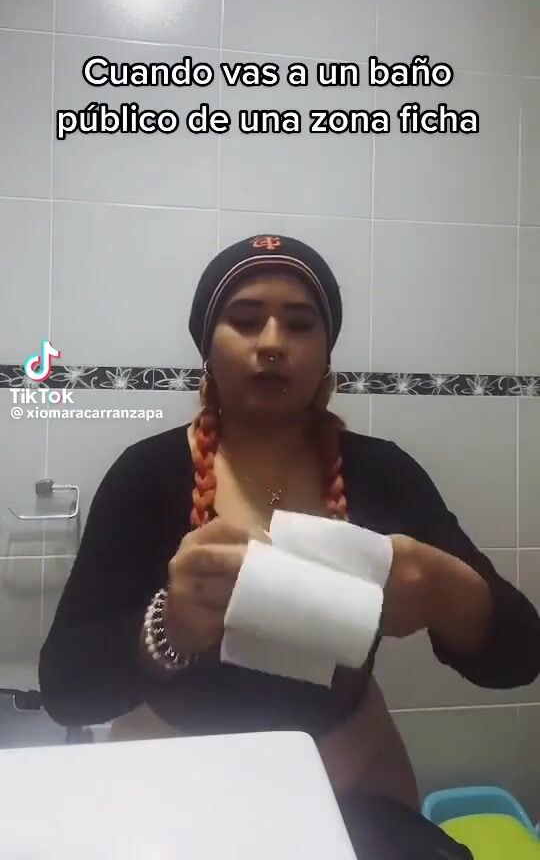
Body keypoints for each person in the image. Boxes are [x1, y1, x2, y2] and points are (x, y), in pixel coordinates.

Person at [39, 234, 540, 859]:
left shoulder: (383, 474)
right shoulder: (146, 476)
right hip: (176, 783)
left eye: (300, 324)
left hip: (350, 779)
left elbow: (520, 657)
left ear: (325, 354)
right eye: (245, 319)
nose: (273, 342)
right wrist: (168, 626)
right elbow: (67, 691)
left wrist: (448, 591)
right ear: (208, 350)